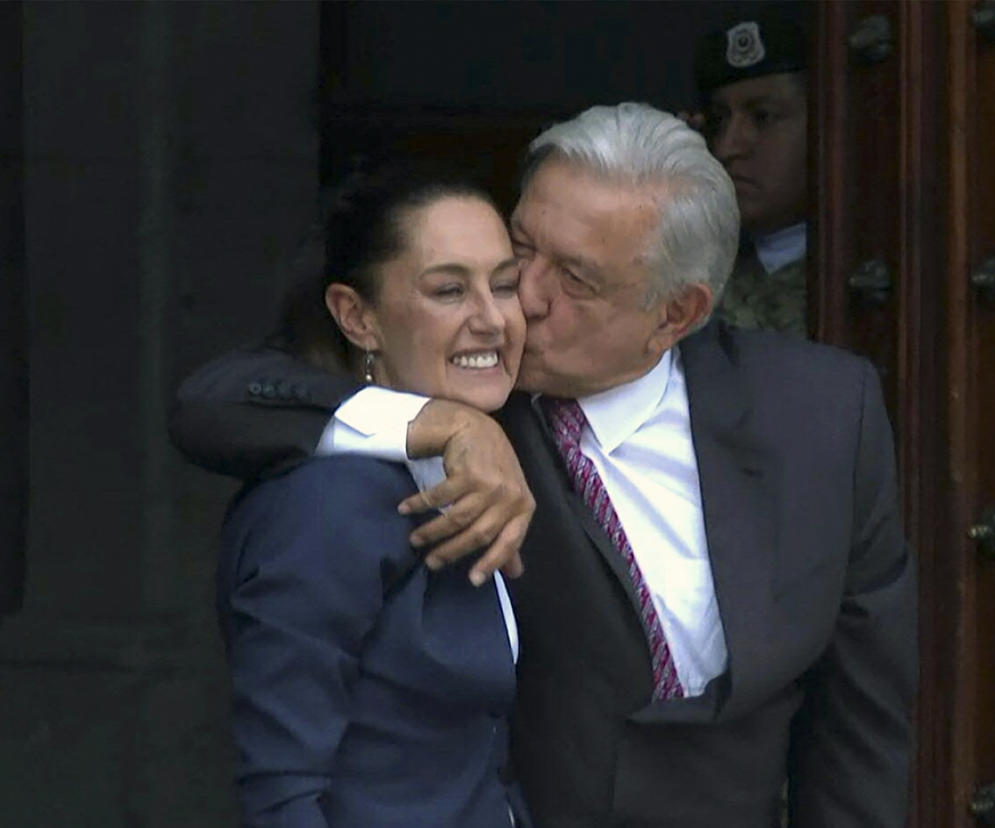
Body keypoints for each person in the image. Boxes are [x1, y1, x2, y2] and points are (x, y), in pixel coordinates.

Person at [172, 103, 916, 827]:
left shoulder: (822, 413)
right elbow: (215, 404)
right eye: (523, 249)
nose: (520, 299)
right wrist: (440, 422)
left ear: (676, 314)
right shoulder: (467, 386)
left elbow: (861, 721)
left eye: (576, 279)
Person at [215, 165, 533, 827]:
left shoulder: (482, 470)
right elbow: (283, 791)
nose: (492, 319)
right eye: (449, 290)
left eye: (504, 285)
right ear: (357, 317)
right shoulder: (323, 501)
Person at [693, 11, 811, 337]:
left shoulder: (860, 277)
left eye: (762, 118)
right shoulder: (690, 270)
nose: (727, 148)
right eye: (719, 121)